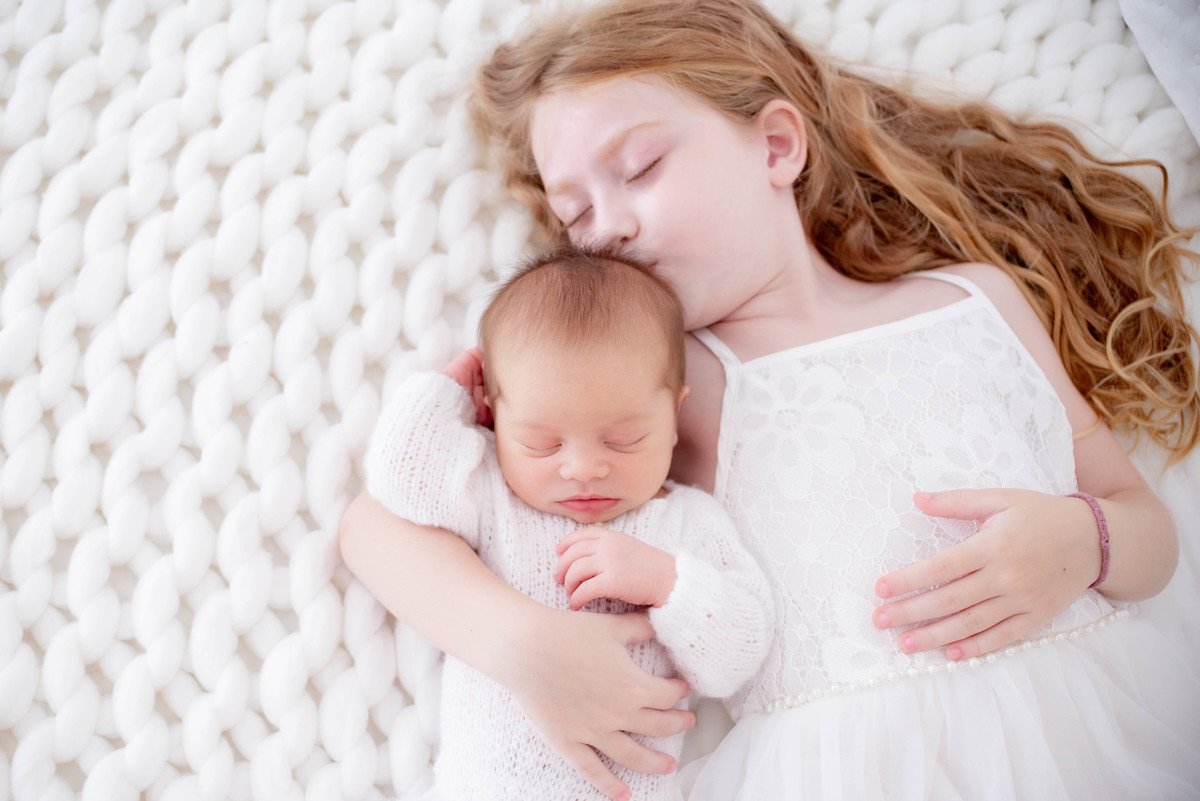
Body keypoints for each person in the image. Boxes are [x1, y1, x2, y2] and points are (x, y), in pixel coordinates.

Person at [340, 0, 1200, 798]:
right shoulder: (671, 382)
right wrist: (523, 647)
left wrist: (1082, 541)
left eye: (638, 168)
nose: (607, 229)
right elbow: (375, 530)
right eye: (574, 214)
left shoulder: (978, 303)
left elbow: (1151, 533)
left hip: (1095, 717)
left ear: (777, 147)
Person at [363, 246, 773, 801]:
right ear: (493, 414)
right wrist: (450, 389)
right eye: (542, 442)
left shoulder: (685, 524)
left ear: (674, 414)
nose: (583, 469)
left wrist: (667, 583)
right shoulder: (493, 497)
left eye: (624, 438)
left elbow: (740, 656)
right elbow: (401, 479)